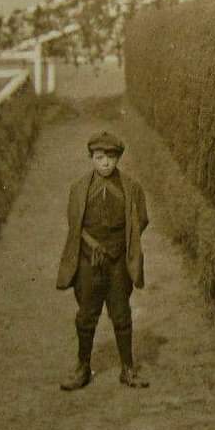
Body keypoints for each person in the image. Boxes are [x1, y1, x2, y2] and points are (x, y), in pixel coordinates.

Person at [55, 130, 150, 390]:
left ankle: (128, 369)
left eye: (110, 157)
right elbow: (74, 223)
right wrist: (92, 247)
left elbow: (141, 219)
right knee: (86, 315)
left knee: (121, 314)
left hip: (118, 263)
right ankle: (82, 368)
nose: (105, 163)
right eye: (99, 157)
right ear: (91, 158)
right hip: (88, 263)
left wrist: (121, 244)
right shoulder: (79, 189)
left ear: (118, 158)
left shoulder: (131, 188)